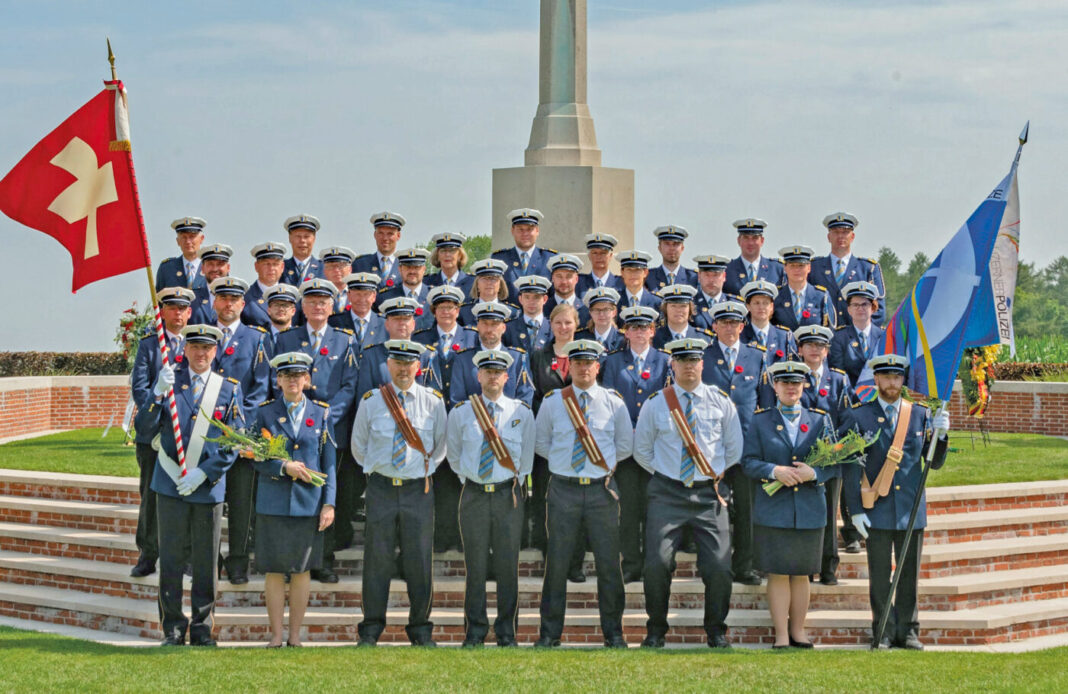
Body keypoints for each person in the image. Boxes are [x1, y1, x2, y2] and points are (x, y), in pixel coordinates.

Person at [634, 337, 743, 649]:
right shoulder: (656, 404)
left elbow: (733, 450)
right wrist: (669, 474)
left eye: (694, 360)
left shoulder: (721, 401)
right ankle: (655, 631)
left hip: (709, 495)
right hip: (667, 493)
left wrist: (709, 475)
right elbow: (642, 451)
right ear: (673, 364)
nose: (689, 366)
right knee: (655, 563)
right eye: (682, 360)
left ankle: (716, 632)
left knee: (720, 567)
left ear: (702, 363)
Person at [141, 324, 243, 646]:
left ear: (216, 351)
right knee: (169, 560)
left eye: (207, 348)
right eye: (195, 347)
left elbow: (234, 442)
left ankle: (201, 628)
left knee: (205, 562)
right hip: (170, 484)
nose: (201, 353)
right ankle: (172, 627)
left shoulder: (227, 389)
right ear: (184, 349)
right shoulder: (171, 383)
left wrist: (206, 472)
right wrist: (156, 393)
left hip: (206, 487)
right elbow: (143, 428)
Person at [840, 354, 950, 650]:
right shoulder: (858, 416)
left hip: (910, 508)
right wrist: (856, 511)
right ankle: (884, 630)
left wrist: (942, 436)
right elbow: (850, 469)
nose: (891, 382)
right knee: (879, 575)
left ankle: (909, 630)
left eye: (897, 377)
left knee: (908, 575)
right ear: (875, 379)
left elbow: (934, 462)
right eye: (886, 377)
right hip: (875, 508)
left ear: (903, 380)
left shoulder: (920, 415)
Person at [534, 339, 633, 649]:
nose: (583, 367)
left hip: (602, 491)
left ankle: (613, 633)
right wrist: (566, 465)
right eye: (577, 362)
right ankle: (550, 634)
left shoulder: (613, 402)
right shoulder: (552, 402)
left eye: (588, 363)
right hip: (563, 489)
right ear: (570, 366)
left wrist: (597, 469)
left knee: (608, 565)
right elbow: (541, 444)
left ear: (597, 366)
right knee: (557, 564)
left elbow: (625, 446)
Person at [351, 339, 448, 647]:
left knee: (419, 561)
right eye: (398, 364)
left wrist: (420, 471)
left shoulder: (433, 401)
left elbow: (441, 447)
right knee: (376, 561)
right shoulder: (371, 401)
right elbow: (358, 447)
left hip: (417, 489)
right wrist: (378, 470)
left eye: (409, 364)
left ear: (418, 367)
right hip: (380, 488)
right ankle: (370, 629)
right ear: (389, 365)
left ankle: (420, 629)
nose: (404, 369)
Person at [742, 360, 838, 649]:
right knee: (779, 572)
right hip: (774, 509)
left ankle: (798, 631)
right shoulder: (760, 420)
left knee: (802, 572)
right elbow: (748, 462)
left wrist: (815, 473)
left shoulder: (821, 420)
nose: (791, 387)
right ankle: (781, 635)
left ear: (805, 385)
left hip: (809, 510)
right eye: (784, 383)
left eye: (796, 383)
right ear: (775, 387)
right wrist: (774, 471)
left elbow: (835, 464)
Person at [446, 349, 536, 647]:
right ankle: (474, 632)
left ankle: (507, 632)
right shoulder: (461, 412)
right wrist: (472, 479)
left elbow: (526, 458)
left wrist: (508, 484)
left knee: (508, 567)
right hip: (473, 494)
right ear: (478, 376)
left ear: (507, 376)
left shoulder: (521, 412)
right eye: (488, 371)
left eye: (498, 372)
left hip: (507, 496)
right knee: (475, 567)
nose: (493, 376)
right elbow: (455, 456)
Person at [274, 278, 359, 580]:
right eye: (311, 301)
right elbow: (279, 384)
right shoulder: (287, 339)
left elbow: (350, 386)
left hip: (330, 430)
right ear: (303, 306)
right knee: (293, 493)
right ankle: (291, 560)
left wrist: (325, 417)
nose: (318, 306)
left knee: (326, 494)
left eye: (324, 301)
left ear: (332, 306)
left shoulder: (344, 339)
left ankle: (323, 559)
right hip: (293, 430)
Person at [250, 352, 336, 647]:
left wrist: (329, 503)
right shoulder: (265, 413)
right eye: (286, 376)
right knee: (274, 569)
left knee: (302, 570)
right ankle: (275, 635)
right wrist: (283, 467)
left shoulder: (322, 413)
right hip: (273, 502)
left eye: (297, 376)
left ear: (307, 379)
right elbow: (256, 458)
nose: (292, 381)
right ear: (278, 381)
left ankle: (295, 635)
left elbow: (330, 463)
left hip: (308, 504)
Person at [701, 301, 772, 586]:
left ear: (743, 326)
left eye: (734, 323)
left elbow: (765, 404)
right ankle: (714, 566)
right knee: (712, 511)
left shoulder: (756, 357)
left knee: (746, 510)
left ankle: (744, 565)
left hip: (746, 448)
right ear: (714, 326)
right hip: (712, 448)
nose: (729, 328)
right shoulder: (703, 356)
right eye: (724, 323)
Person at [208, 276, 270, 584]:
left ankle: (237, 561)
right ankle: (209, 558)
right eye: (223, 298)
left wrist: (238, 428)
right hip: (206, 437)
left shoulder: (256, 338)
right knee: (209, 500)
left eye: (235, 299)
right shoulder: (203, 336)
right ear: (214, 302)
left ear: (243, 304)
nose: (229, 303)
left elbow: (259, 389)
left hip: (241, 436)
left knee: (242, 502)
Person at [600, 305, 670, 583]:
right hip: (626, 449)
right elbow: (607, 403)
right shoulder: (613, 362)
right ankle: (631, 562)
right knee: (628, 509)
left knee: (656, 509)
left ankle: (655, 562)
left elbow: (668, 402)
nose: (639, 332)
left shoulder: (665, 361)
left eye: (645, 328)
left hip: (656, 448)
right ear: (625, 332)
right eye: (634, 328)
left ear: (653, 331)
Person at [128, 287, 193, 578]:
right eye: (172, 307)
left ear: (189, 312)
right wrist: (157, 392)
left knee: (189, 494)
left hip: (187, 434)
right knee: (151, 497)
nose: (177, 313)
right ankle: (148, 553)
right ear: (162, 311)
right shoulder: (150, 345)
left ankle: (188, 554)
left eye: (182, 308)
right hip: (154, 433)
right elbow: (139, 388)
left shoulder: (197, 344)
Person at [795, 325, 853, 584]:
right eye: (809, 345)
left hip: (830, 461)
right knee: (806, 514)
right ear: (800, 350)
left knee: (830, 514)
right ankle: (807, 565)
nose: (814, 350)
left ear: (827, 351)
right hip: (802, 460)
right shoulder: (793, 377)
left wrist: (834, 448)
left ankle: (829, 568)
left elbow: (847, 418)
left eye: (820, 346)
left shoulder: (839, 380)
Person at [355, 297, 440, 403]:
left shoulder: (427, 355)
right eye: (396, 319)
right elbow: (363, 399)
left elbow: (434, 400)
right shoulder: (371, 355)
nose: (401, 323)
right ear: (387, 324)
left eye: (406, 319)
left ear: (413, 324)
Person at [809, 213, 886, 327]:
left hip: (856, 339)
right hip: (823, 340)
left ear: (852, 236)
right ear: (828, 237)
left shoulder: (868, 268)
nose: (841, 236)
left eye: (845, 232)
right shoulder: (814, 267)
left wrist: (860, 332)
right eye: (835, 232)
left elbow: (879, 310)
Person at [829, 281, 885, 388]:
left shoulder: (883, 336)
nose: (860, 308)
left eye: (865, 304)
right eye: (855, 305)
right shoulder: (839, 337)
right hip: (849, 395)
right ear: (849, 310)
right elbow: (838, 372)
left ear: (873, 308)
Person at [491, 208, 556, 293]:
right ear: (512, 231)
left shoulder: (549, 259)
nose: (525, 234)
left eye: (529, 229)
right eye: (520, 229)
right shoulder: (500, 258)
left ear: (537, 231)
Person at [772, 245, 836, 331]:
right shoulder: (776, 296)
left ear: (809, 268)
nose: (796, 270)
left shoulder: (821, 296)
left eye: (801, 265)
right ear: (785, 268)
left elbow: (830, 332)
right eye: (792, 265)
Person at [328, 272, 385, 361]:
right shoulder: (333, 323)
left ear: (374, 296)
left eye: (366, 294)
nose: (362, 299)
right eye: (357, 294)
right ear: (349, 296)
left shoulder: (385, 324)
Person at [740, 280, 796, 368]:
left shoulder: (785, 337)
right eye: (756, 303)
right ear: (748, 306)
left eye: (765, 303)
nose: (761, 307)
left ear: (771, 307)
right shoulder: (740, 336)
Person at [375, 248, 434, 331]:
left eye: (417, 267)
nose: (412, 271)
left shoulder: (434, 297)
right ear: (400, 269)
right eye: (408, 267)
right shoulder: (385, 298)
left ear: (424, 269)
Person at [723, 218, 785, 296]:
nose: (750, 243)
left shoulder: (777, 269)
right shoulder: (727, 270)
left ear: (762, 241)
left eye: (755, 238)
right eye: (746, 238)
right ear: (739, 241)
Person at [352, 211, 405, 290]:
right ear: (375, 235)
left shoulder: (407, 266)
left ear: (398, 236)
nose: (385, 238)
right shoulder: (360, 264)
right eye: (381, 233)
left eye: (390, 234)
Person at [242, 242, 288, 329]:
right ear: (256, 266)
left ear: (282, 267)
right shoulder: (245, 299)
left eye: (275, 264)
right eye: (266, 264)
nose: (271, 269)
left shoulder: (293, 298)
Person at [459, 258, 517, 326]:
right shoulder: (464, 312)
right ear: (477, 283)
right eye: (484, 279)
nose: (489, 283)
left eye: (494, 279)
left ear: (500, 284)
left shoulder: (513, 313)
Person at [503, 275, 553, 353]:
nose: (531, 302)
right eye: (527, 297)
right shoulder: (509, 329)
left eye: (536, 297)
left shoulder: (553, 328)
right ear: (520, 299)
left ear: (545, 299)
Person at [156, 217, 206, 291]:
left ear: (201, 239)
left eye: (192, 237)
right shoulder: (167, 269)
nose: (188, 241)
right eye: (184, 237)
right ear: (178, 241)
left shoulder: (212, 268)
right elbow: (159, 300)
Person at [653, 284, 710, 349]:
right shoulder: (654, 337)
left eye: (683, 306)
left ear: (690, 309)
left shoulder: (703, 338)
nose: (678, 310)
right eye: (673, 306)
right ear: (665, 308)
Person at [692, 254, 738, 332]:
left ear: (724, 276)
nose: (711, 280)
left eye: (715, 275)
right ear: (699, 276)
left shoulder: (736, 305)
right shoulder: (690, 304)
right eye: (707, 275)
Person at [189, 243, 232, 325]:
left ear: (228, 268)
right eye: (210, 264)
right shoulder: (192, 299)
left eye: (220, 264)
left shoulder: (238, 299)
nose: (215, 269)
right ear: (202, 268)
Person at [646, 225, 698, 291]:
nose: (671, 248)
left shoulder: (694, 278)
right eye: (667, 244)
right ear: (659, 248)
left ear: (682, 248)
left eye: (676, 244)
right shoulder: (648, 277)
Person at [543, 253, 590, 326]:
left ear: (576, 279)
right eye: (559, 276)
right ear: (552, 278)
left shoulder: (587, 310)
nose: (564, 282)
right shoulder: (542, 309)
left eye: (569, 276)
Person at [282, 214, 324, 286]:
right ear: (290, 238)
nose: (302, 241)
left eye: (306, 236)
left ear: (314, 239)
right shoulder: (281, 268)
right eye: (298, 236)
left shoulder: (324, 268)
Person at [576, 286, 623, 351]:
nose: (601, 314)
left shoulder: (623, 340)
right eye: (596, 310)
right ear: (590, 313)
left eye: (606, 309)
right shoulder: (580, 338)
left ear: (614, 312)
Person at [318, 246, 356, 315]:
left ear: (350, 269)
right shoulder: (317, 296)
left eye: (341, 265)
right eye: (331, 266)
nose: (336, 270)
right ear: (325, 271)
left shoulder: (358, 294)